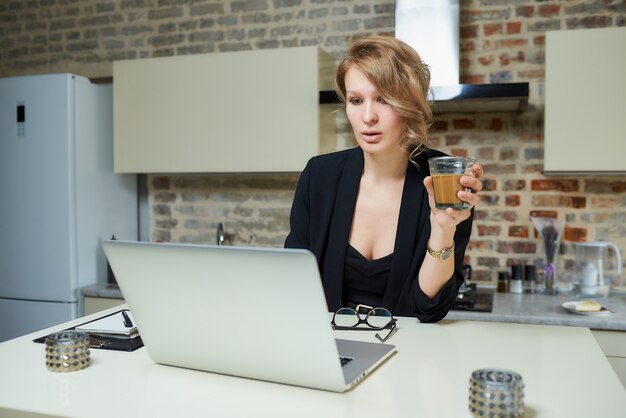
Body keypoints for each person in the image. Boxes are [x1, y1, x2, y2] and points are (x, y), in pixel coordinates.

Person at [285, 35, 484, 323]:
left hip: (407, 356)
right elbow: (293, 286)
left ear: (408, 104)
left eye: (383, 100)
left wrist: (443, 229)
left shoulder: (445, 180)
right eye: (356, 100)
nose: (367, 117)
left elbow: (427, 308)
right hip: (328, 350)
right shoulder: (320, 176)